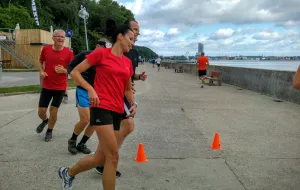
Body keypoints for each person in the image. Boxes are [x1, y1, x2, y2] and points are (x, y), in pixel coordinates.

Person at [58, 20, 137, 190]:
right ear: (119, 36)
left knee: (100, 158)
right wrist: (90, 89)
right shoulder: (101, 54)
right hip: (101, 108)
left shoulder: (127, 63)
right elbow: (75, 72)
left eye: (134, 40)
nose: (133, 42)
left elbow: (127, 88)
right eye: (130, 38)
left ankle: (68, 173)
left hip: (117, 111)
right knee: (113, 156)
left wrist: (133, 104)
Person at [93, 18, 148, 177]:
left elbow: (129, 75)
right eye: (135, 30)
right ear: (124, 32)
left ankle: (102, 159)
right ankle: (103, 159)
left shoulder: (134, 52)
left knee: (121, 128)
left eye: (138, 31)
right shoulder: (114, 50)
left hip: (125, 93)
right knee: (128, 125)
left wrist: (138, 77)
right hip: (114, 95)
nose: (137, 33)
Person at [66, 38, 109, 155]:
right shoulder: (85, 54)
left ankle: (82, 143)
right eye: (104, 48)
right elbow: (70, 67)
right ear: (98, 46)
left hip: (98, 93)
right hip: (83, 91)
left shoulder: (106, 59)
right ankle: (72, 140)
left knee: (95, 122)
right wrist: (75, 78)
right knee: (86, 119)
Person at [36, 29, 74, 142]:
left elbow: (73, 68)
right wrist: (41, 71)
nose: (60, 38)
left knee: (53, 110)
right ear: (53, 38)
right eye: (58, 36)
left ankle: (49, 131)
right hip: (47, 85)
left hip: (60, 86)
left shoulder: (69, 53)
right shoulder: (46, 49)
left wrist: (65, 71)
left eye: (62, 37)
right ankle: (45, 121)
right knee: (41, 111)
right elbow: (40, 61)